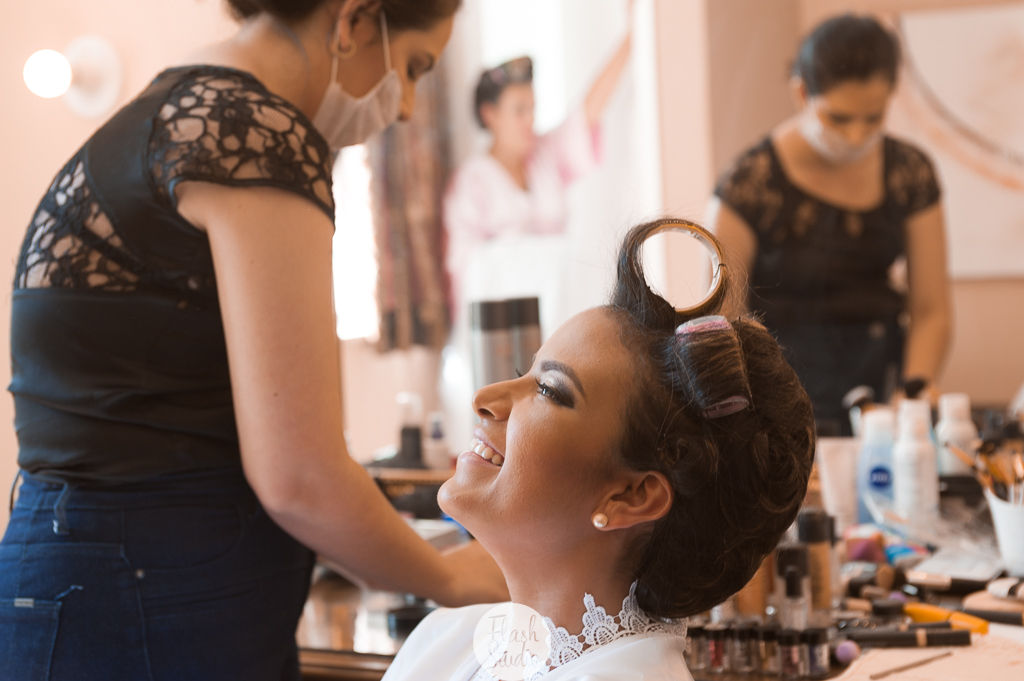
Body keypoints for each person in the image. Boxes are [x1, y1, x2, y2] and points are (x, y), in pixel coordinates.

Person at [0, 1, 508, 679]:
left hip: (54, 579)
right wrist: (452, 576)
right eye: (412, 68)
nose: (409, 106)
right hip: (152, 599)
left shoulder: (147, 124)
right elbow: (299, 478)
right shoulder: (253, 134)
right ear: (354, 18)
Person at [382, 219, 816, 680]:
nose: (485, 398)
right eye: (524, 370)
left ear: (631, 496)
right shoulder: (443, 644)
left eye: (548, 390)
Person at [707, 14, 952, 435]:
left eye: (873, 118)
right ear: (802, 92)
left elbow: (931, 308)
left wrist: (914, 396)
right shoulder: (749, 184)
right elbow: (725, 319)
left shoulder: (909, 172)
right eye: (839, 119)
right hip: (779, 391)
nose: (857, 136)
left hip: (880, 384)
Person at [443, 16, 633, 319]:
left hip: (562, 312)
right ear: (489, 114)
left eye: (532, 108)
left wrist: (633, 36)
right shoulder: (472, 182)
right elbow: (468, 271)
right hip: (505, 324)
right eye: (519, 110)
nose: (529, 120)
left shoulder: (545, 155)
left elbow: (588, 112)